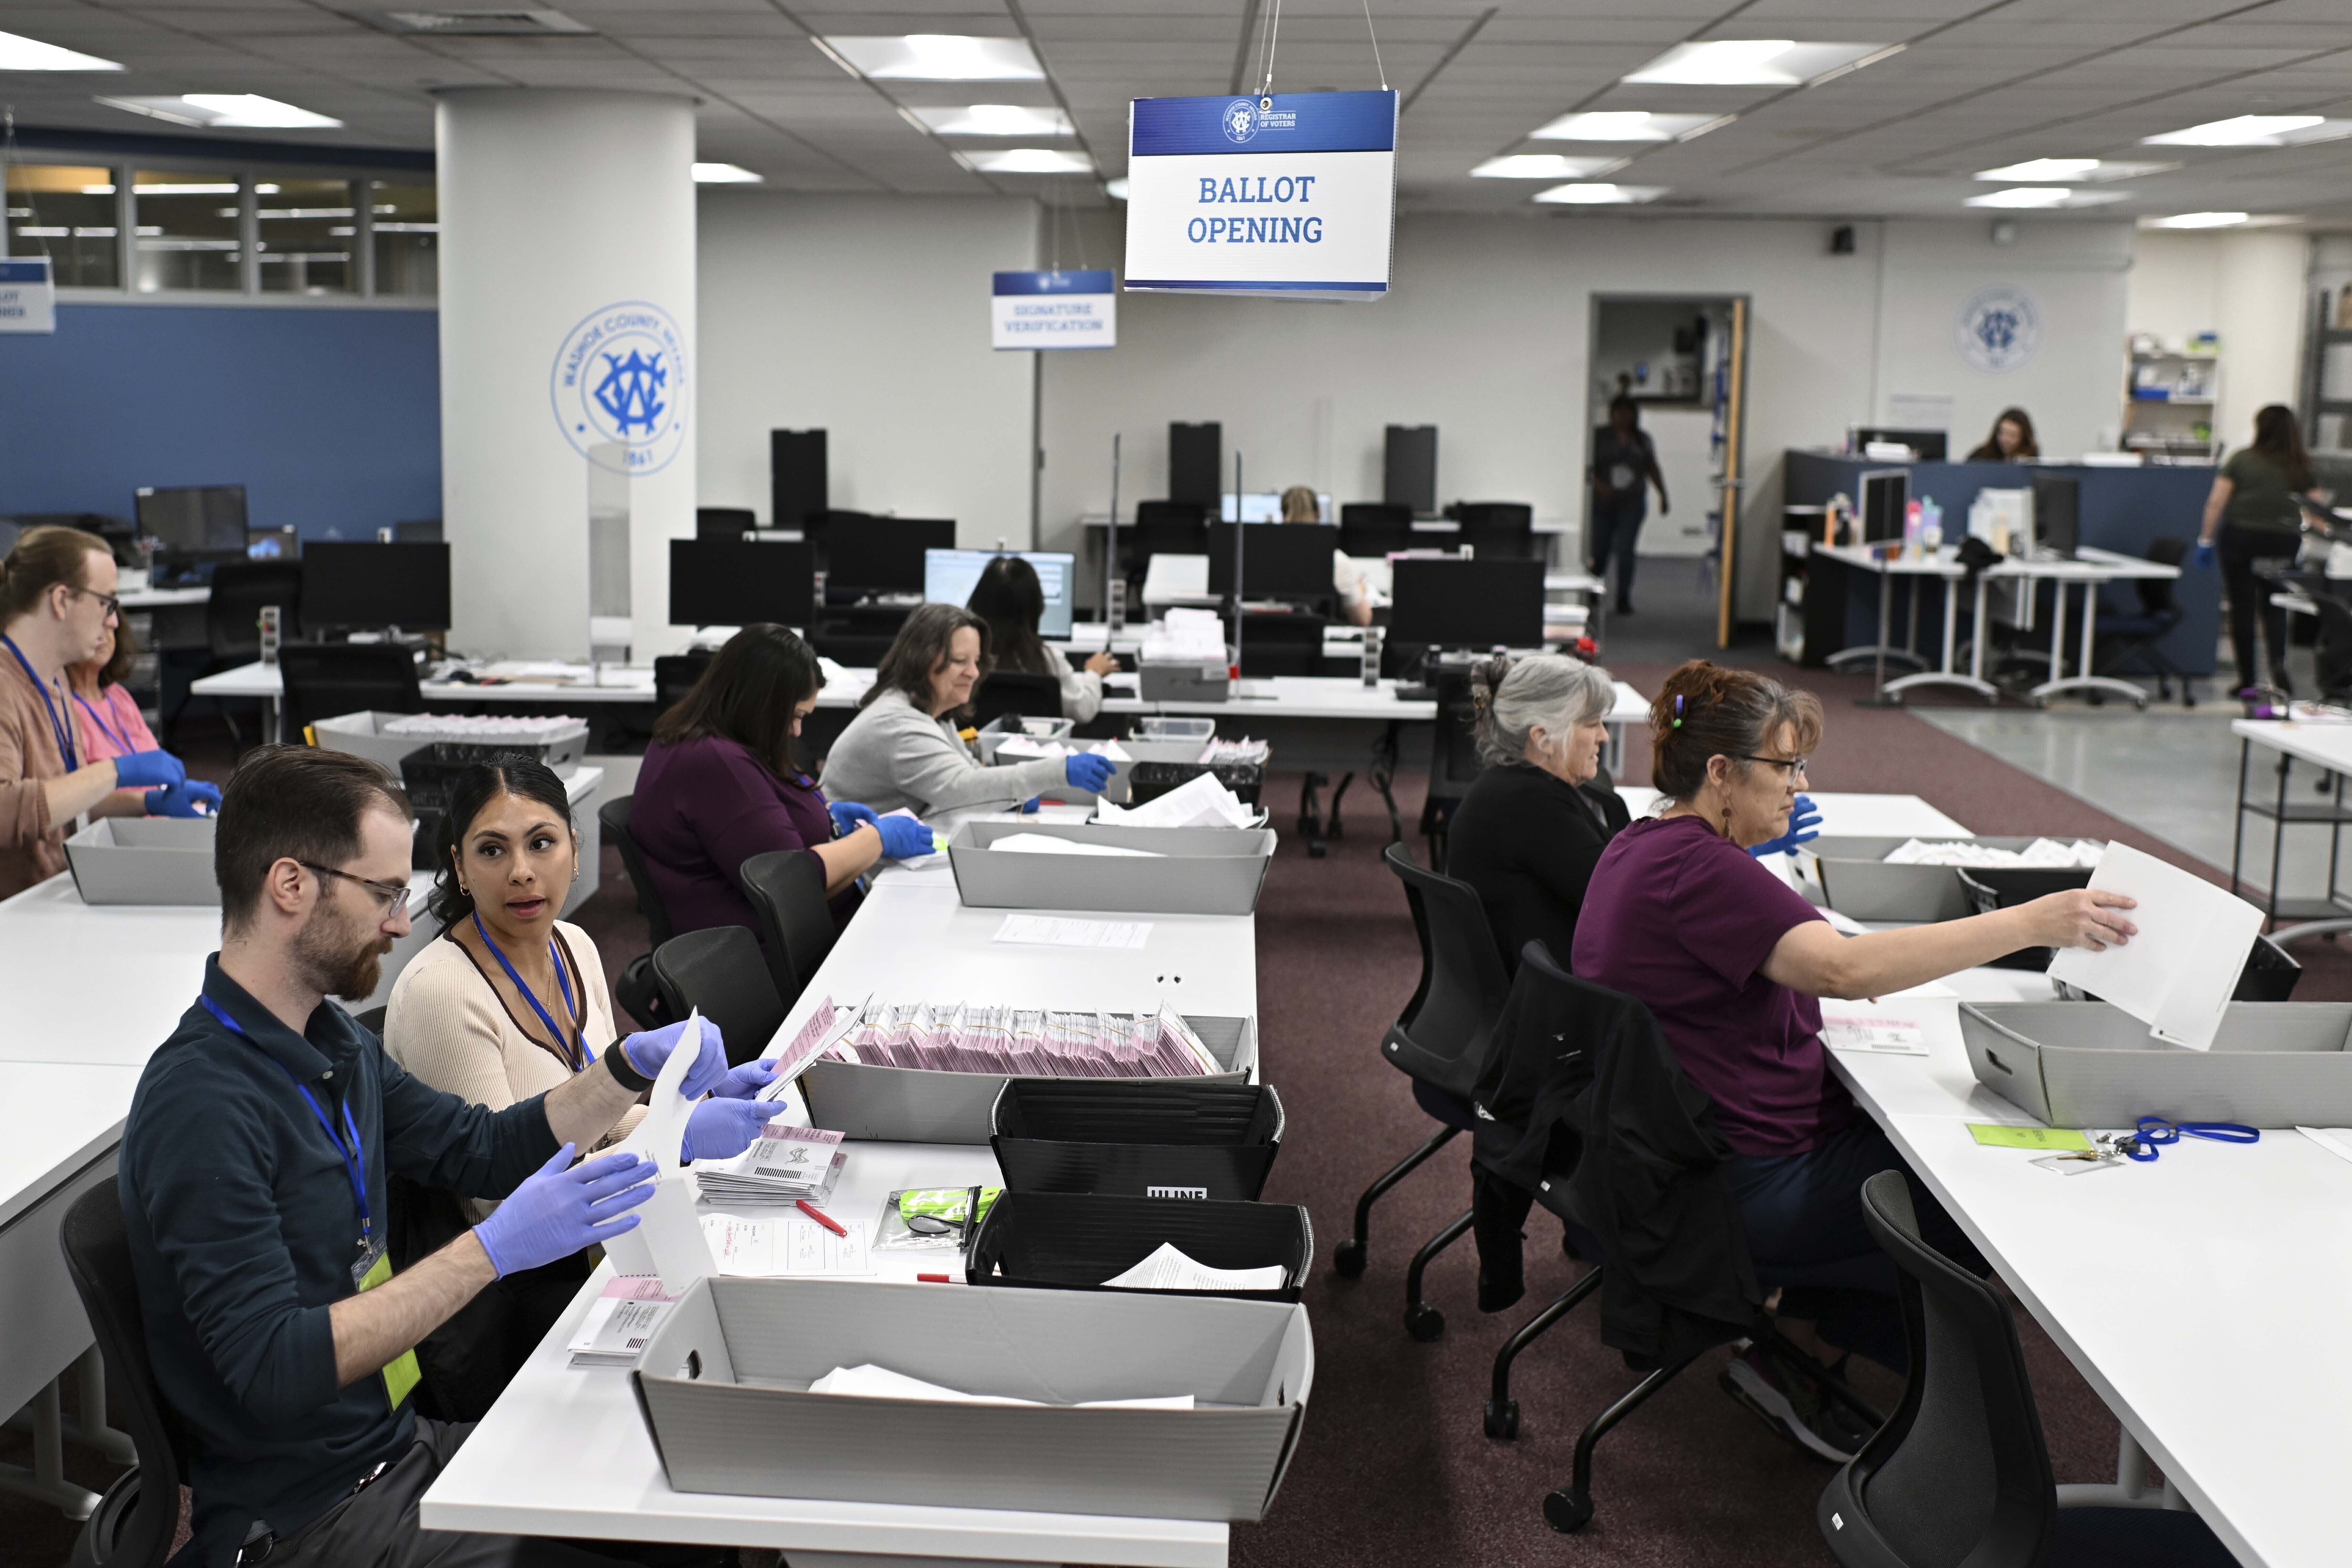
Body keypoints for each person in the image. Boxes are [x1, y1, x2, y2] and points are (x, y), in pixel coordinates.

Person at [119, 745, 772, 1567]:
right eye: (383, 894)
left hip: (399, 1450)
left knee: (693, 1481)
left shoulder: (330, 1044)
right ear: (290, 886)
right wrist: (489, 1252)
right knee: (671, 1537)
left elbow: (484, 1146)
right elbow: (275, 1366)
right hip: (310, 1518)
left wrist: (623, 1071)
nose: (401, 921)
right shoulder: (204, 1103)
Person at [1573, 661, 2135, 1457]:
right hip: (1738, 1183)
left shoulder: (1645, 844)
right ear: (1722, 773)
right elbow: (1843, 969)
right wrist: (2032, 921)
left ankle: (1801, 1339)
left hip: (1678, 1158)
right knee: (1978, 1193)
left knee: (1918, 1147)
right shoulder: (1702, 871)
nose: (1798, 786)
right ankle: (1829, 1362)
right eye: (1785, 767)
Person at [632, 624, 931, 942]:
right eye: (796, 716)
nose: (797, 731)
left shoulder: (708, 739)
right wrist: (878, 838)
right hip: (765, 957)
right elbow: (793, 883)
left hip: (787, 935)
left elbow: (754, 823)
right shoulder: (715, 762)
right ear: (761, 705)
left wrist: (824, 815)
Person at [0, 524, 216, 899]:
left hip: (54, 895)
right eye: (107, 603)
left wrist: (145, 801)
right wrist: (114, 771)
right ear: (61, 600)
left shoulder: (54, 680)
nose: (114, 621)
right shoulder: (5, 684)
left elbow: (64, 802)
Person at [820, 602, 1115, 816]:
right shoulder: (898, 724)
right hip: (858, 883)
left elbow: (969, 771)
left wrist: (1012, 796)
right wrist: (1058, 770)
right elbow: (961, 787)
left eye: (976, 661)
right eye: (960, 660)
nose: (973, 673)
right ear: (921, 659)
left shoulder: (930, 712)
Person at [1443, 654, 1631, 976]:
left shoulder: (1513, 787)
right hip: (1551, 1001)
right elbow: (1623, 897)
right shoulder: (1529, 806)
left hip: (1537, 986)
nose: (1604, 736)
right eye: (1590, 724)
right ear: (1542, 738)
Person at [2197, 404, 2329, 698]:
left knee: (2242, 608)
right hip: (2283, 541)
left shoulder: (2242, 460)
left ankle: (2246, 681)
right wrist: (2331, 534)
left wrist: (2205, 540)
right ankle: (2278, 672)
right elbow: (2318, 512)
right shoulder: (2300, 466)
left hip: (2241, 540)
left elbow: (2217, 502)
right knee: (2275, 606)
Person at [966, 554, 1116, 722]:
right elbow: (1082, 710)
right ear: (1037, 607)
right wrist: (1094, 673)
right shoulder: (1046, 659)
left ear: (978, 603)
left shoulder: (963, 658)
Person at [1587, 396, 1668, 616]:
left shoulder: (1642, 440)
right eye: (1619, 412)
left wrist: (1663, 495)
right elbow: (1586, 465)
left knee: (1626, 551)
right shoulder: (1600, 437)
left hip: (1631, 504)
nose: (1623, 417)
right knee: (1600, 551)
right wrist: (1598, 484)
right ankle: (1592, 592)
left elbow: (1652, 467)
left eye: (1628, 413)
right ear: (1612, 414)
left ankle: (1624, 597)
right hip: (1603, 504)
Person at [69, 617, 164, 800]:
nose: (111, 624)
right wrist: (148, 802)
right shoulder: (65, 708)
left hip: (155, 821)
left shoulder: (118, 695)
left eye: (110, 623)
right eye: (97, 622)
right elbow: (77, 802)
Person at [1282, 484, 1374, 627]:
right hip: (1316, 644)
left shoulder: (1265, 559)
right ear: (1319, 513)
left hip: (1265, 645)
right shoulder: (1335, 560)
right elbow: (1363, 619)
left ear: (1283, 515)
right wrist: (1360, 589)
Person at [1963, 407, 2038, 463]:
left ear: (2023, 438)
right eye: (2002, 433)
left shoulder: (2031, 461)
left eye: (2012, 435)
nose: (2005, 439)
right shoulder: (1980, 457)